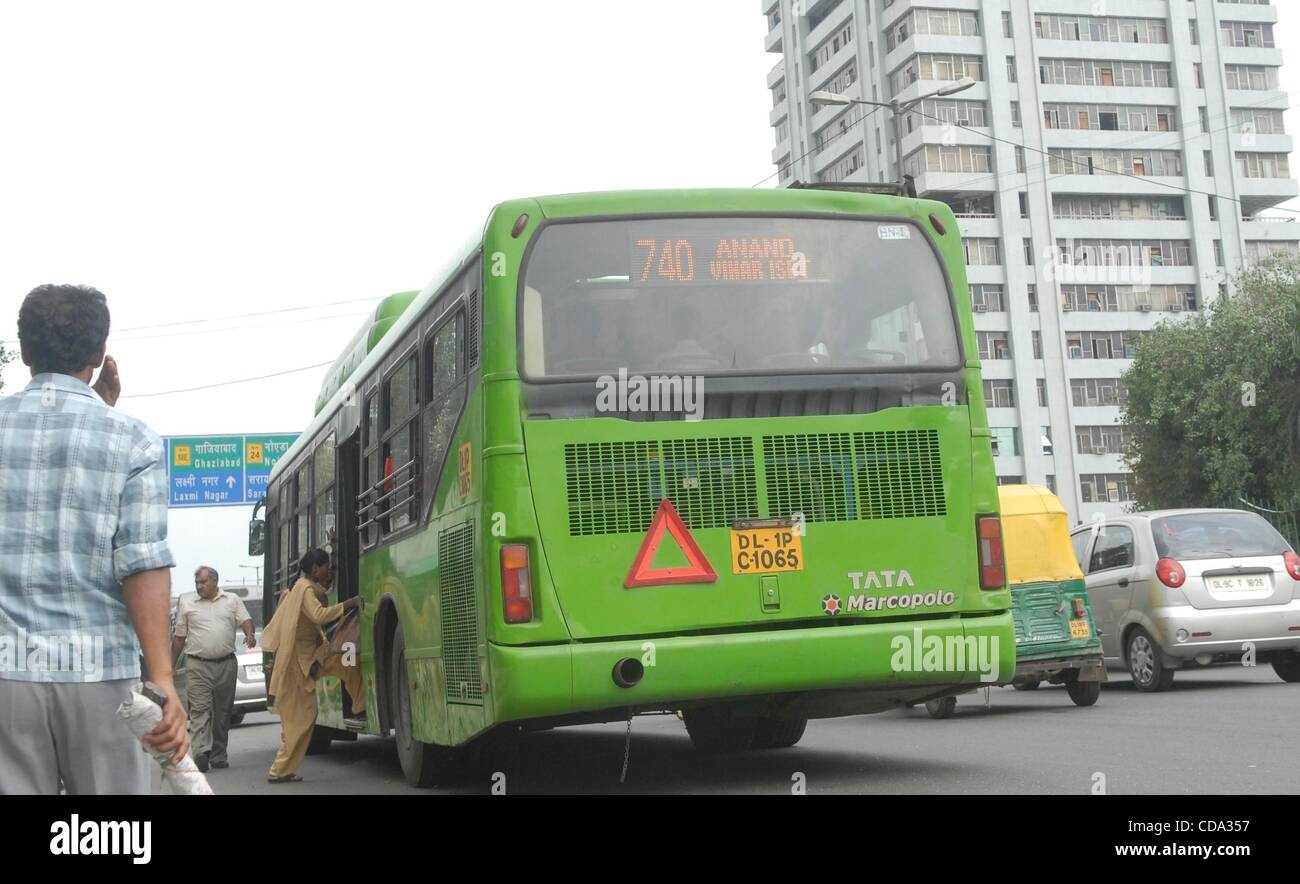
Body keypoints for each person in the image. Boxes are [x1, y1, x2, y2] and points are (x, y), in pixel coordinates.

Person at [0, 284, 188, 794]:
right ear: (100, 354)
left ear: (25, 352)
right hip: (100, 674)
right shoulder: (132, 440)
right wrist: (164, 680)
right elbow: (142, 561)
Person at [261, 549, 364, 783]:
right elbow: (319, 616)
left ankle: (359, 706)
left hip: (310, 656)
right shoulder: (305, 589)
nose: (329, 571)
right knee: (303, 717)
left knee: (347, 662)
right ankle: (280, 770)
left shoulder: (302, 587)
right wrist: (348, 604)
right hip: (304, 662)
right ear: (315, 569)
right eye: (326, 566)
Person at [171, 566, 255, 772]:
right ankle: (201, 752)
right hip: (198, 665)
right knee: (200, 710)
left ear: (215, 582)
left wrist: (250, 634)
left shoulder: (232, 600)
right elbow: (179, 638)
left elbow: (246, 620)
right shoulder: (187, 603)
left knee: (222, 713)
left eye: (203, 582)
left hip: (226, 664)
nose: (199, 586)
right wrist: (169, 665)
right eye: (197, 583)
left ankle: (218, 754)